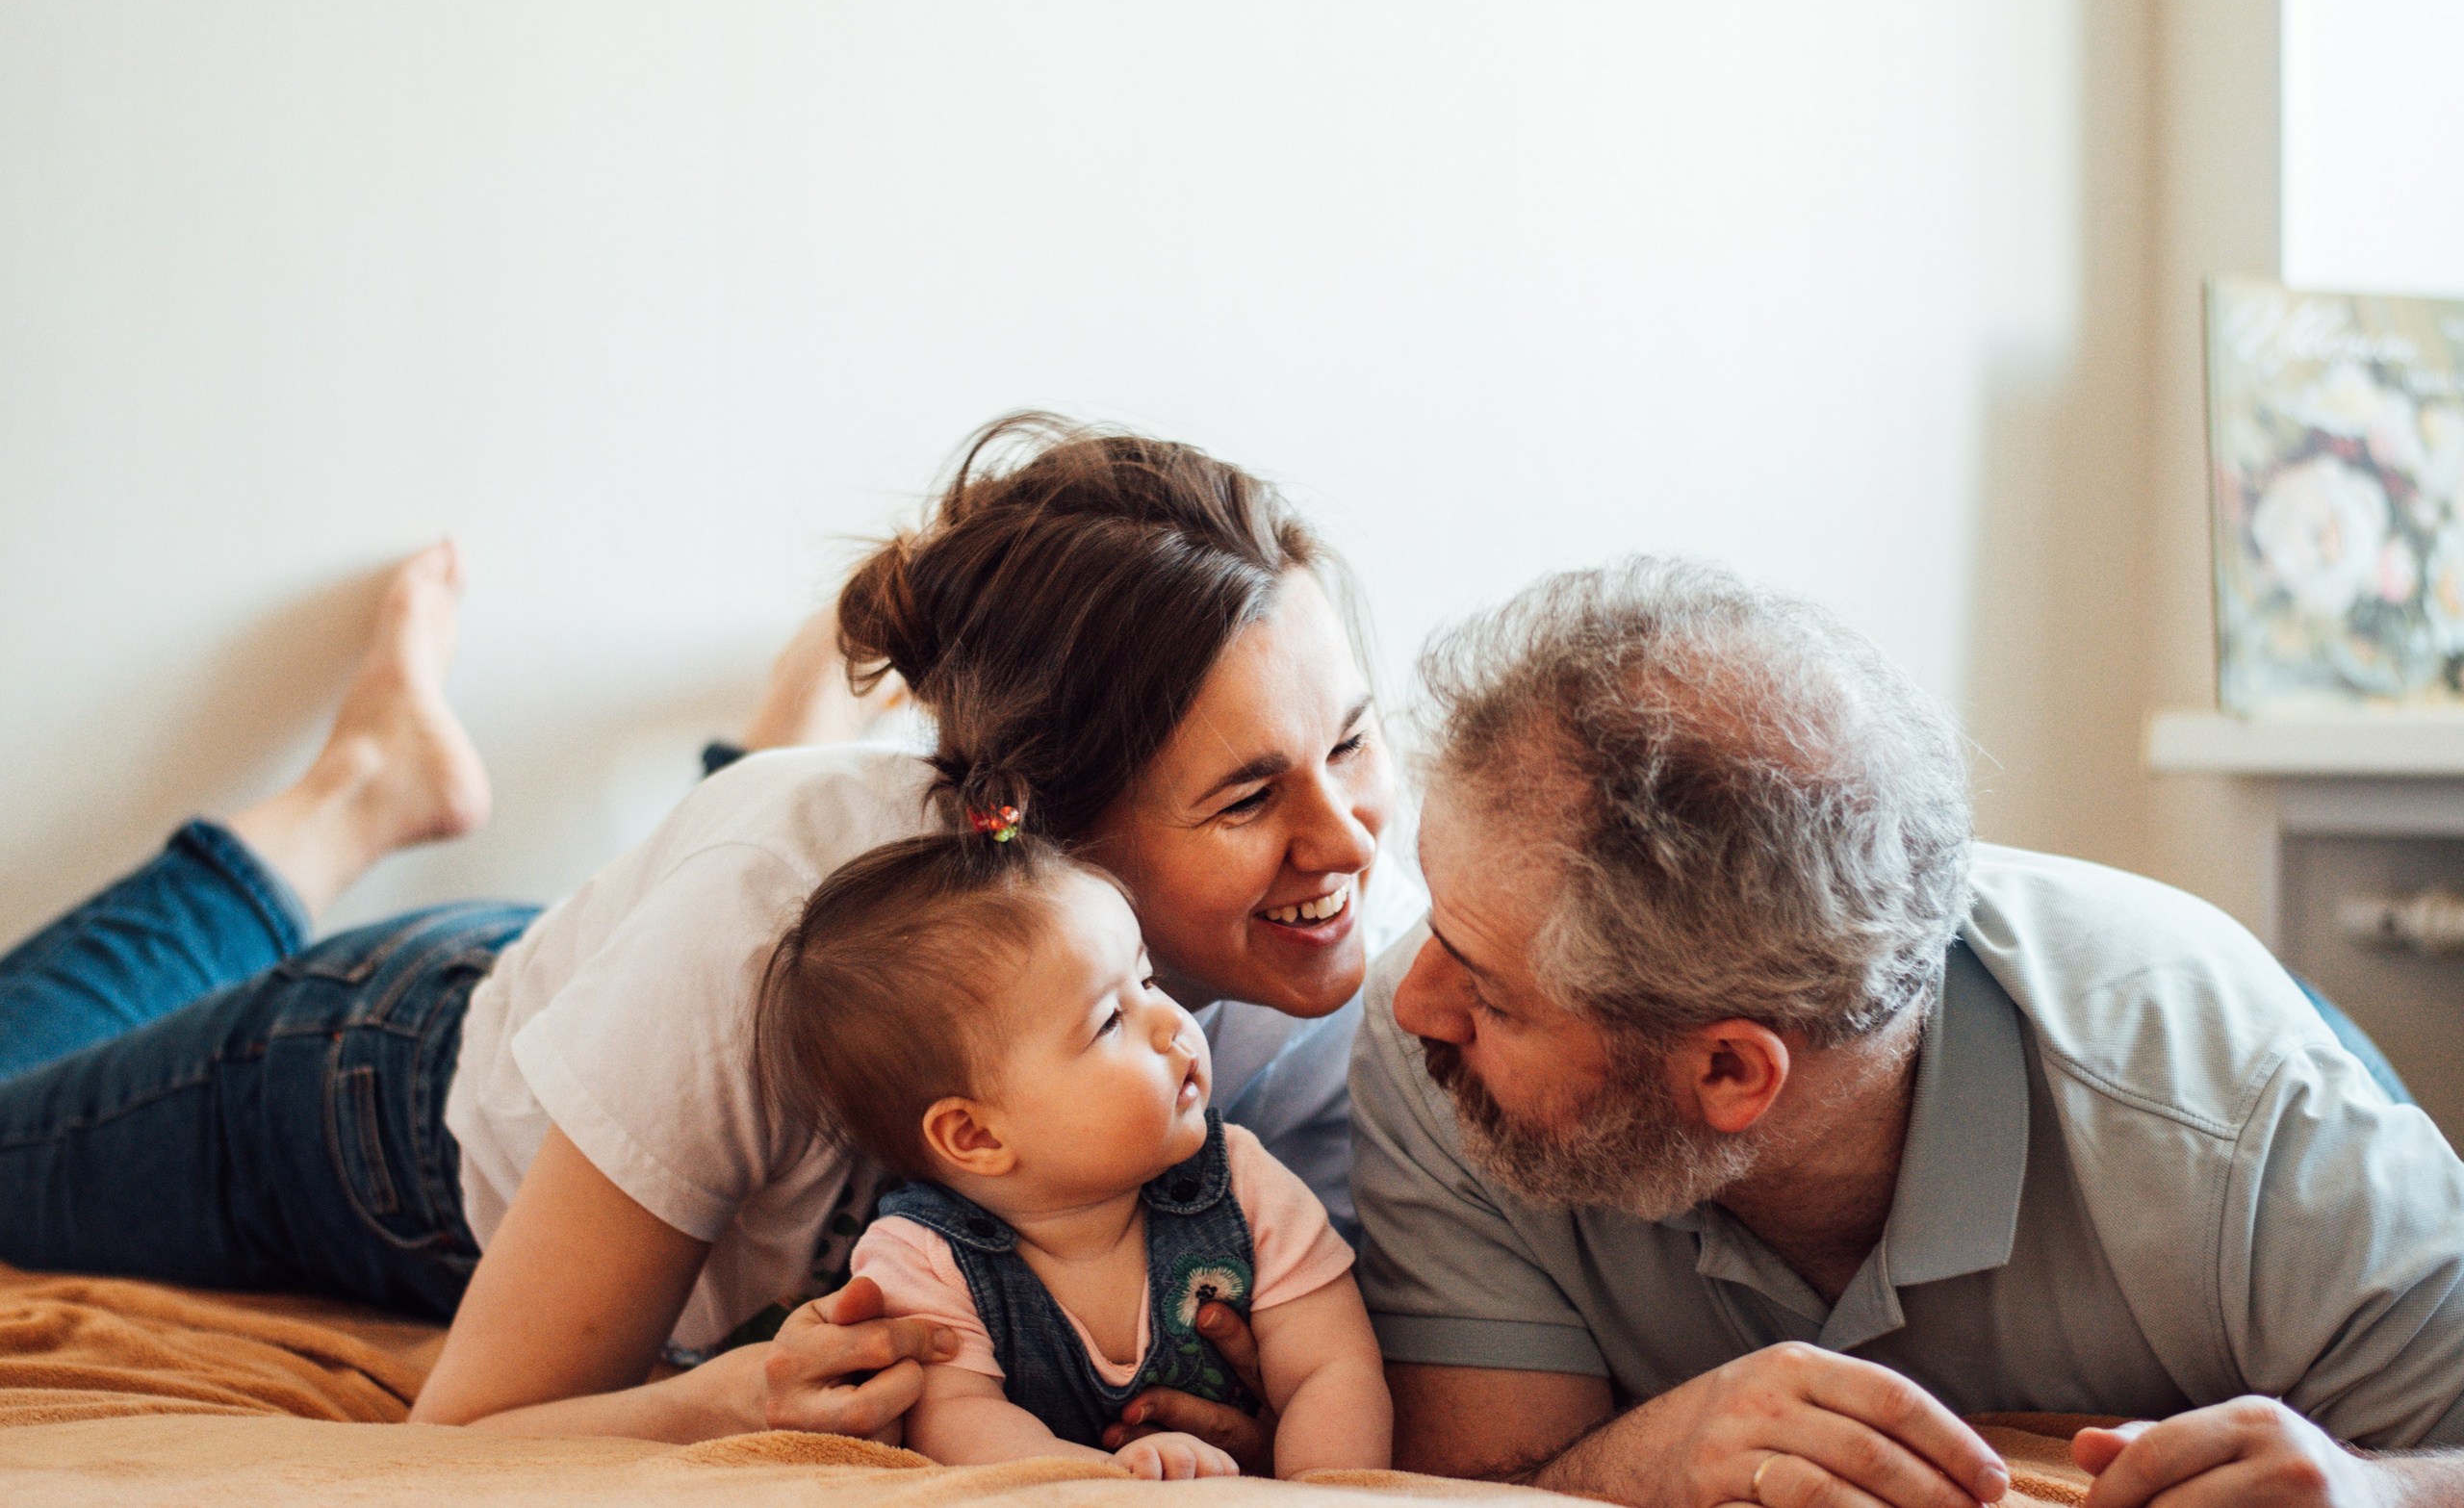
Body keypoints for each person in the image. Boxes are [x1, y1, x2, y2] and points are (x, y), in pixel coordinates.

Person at [0, 415, 1414, 1455]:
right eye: (1245, 796)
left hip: (661, 955)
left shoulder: (1330, 972)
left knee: (766, 854)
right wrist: (727, 1395)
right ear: (1034, 826)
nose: (1350, 842)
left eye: (1348, 738)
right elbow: (474, 1424)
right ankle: (346, 798)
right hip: (377, 1084)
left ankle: (779, 727)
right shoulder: (755, 930)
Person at [1348, 556, 2464, 1508]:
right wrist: (1660, 1457)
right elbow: (1470, 1489)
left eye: (1492, 996)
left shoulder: (2238, 1123)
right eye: (1440, 920)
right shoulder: (1439, 1066)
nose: (1414, 1001)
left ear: (1729, 1070)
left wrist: (2379, 1489)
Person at [762, 806, 1389, 1479]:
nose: (1170, 1023)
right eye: (1110, 1019)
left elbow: (1332, 1368)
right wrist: (1109, 1483)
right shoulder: (923, 1257)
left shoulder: (1240, 1182)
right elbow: (959, 1421)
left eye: (1147, 981)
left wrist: (1320, 1490)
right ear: (975, 1134)